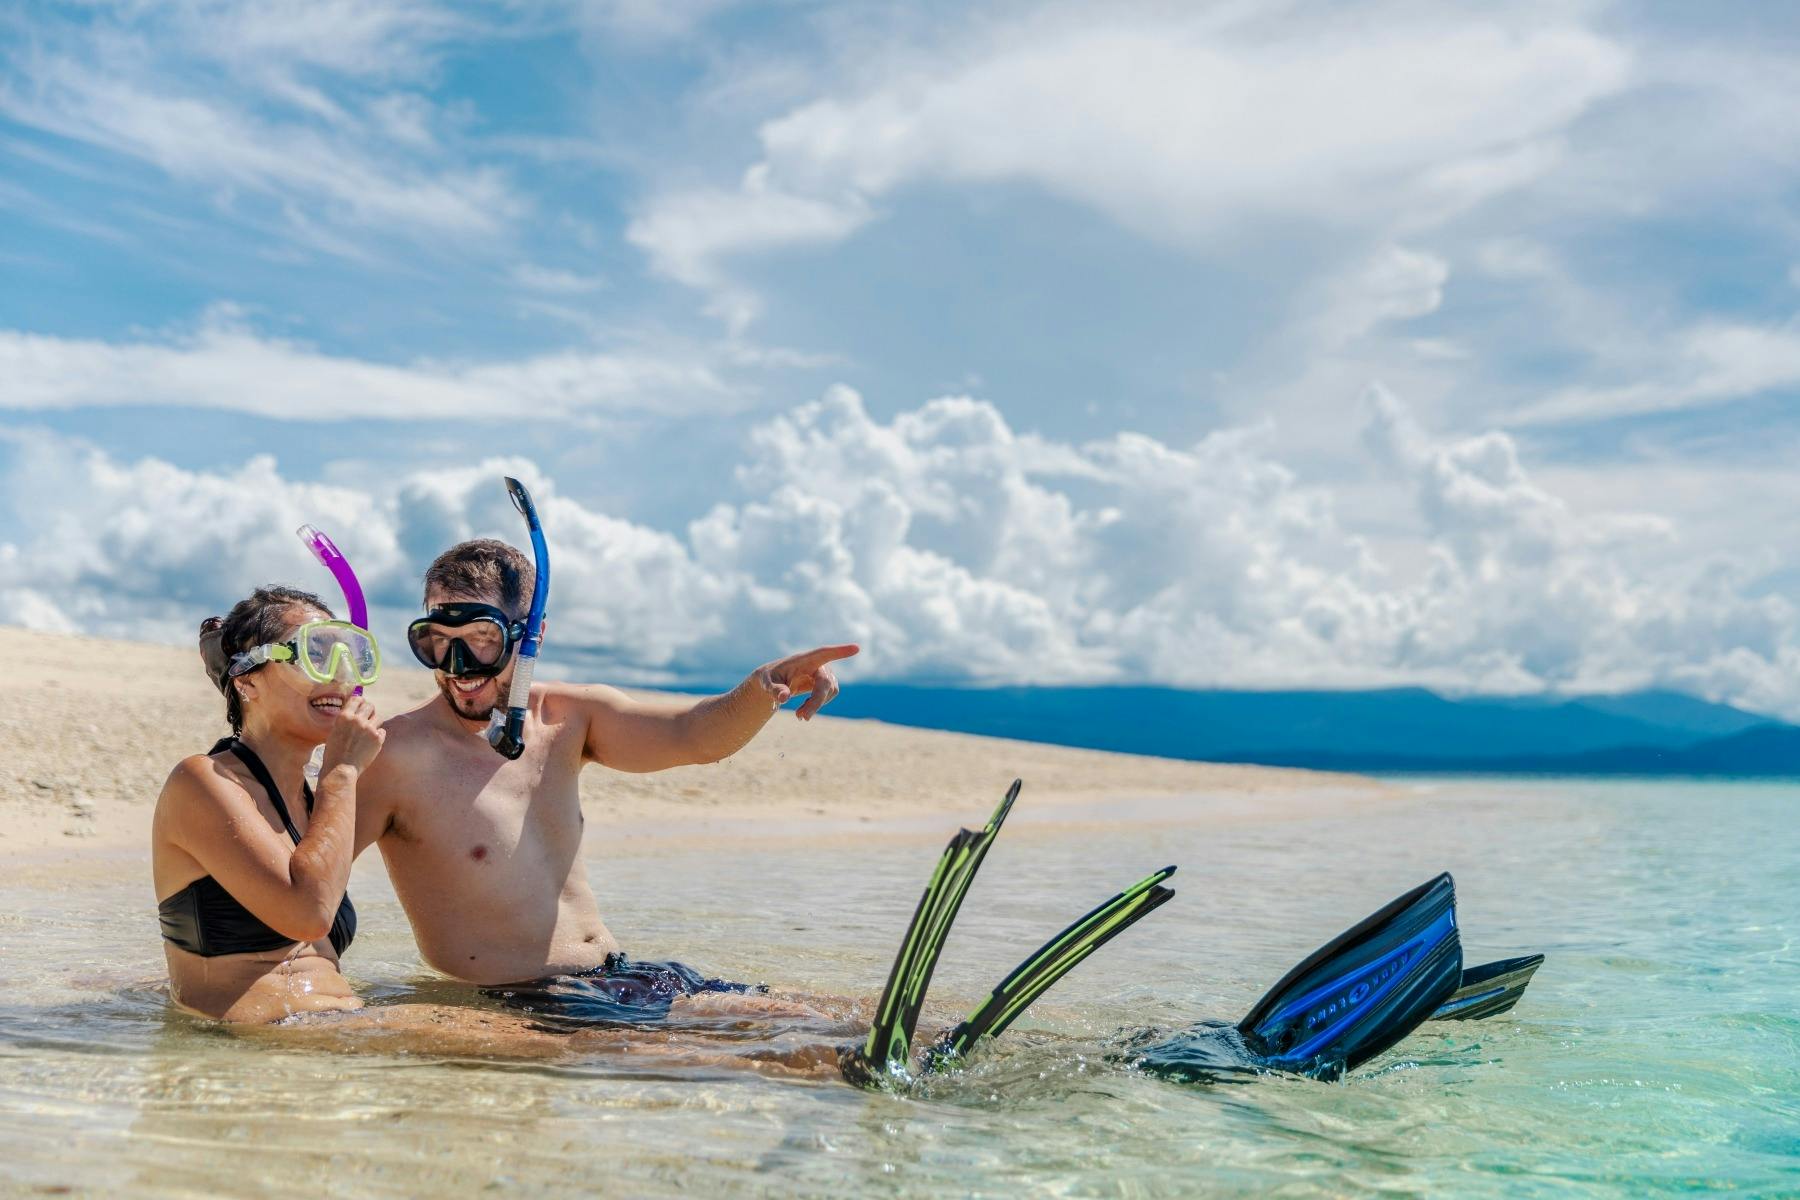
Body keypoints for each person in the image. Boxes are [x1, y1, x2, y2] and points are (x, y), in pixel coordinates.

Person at [354, 537, 857, 1028]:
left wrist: (764, 686)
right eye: (439, 641)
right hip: (527, 1002)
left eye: (482, 640)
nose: (457, 668)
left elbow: (691, 736)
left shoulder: (568, 720)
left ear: (532, 635)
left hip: (618, 975)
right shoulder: (394, 754)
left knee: (835, 1014)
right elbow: (311, 886)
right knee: (788, 1042)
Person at [153, 587, 385, 1023]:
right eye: (314, 655)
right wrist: (341, 772)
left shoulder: (312, 804)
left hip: (322, 1035)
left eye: (346, 656)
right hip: (264, 1044)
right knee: (533, 1041)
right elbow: (308, 915)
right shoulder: (202, 780)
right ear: (247, 680)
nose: (337, 674)